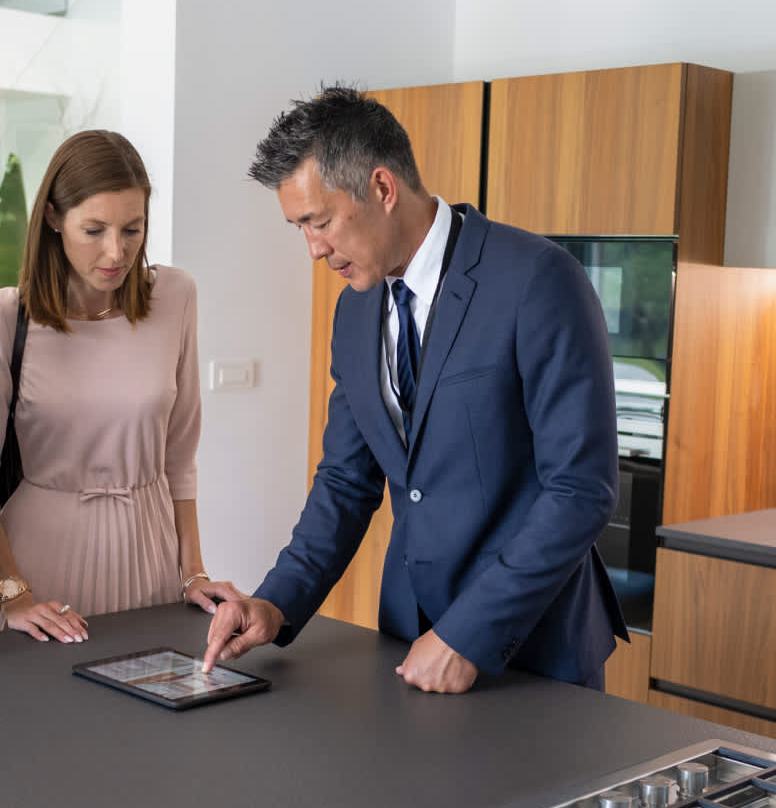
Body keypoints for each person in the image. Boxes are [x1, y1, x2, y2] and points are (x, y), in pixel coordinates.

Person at [202, 85, 628, 692]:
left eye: (319, 222)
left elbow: (580, 490)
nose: (313, 249)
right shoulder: (354, 311)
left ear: (381, 187)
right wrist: (275, 603)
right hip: (408, 643)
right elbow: (347, 483)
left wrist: (467, 634)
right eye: (299, 227)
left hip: (532, 652)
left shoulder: (537, 279)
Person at [0, 130, 219, 641]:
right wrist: (13, 592)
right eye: (94, 229)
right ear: (54, 218)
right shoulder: (7, 316)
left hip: (148, 557)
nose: (116, 251)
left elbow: (179, 461)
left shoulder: (175, 296)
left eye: (132, 229)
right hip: (35, 567)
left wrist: (194, 572)